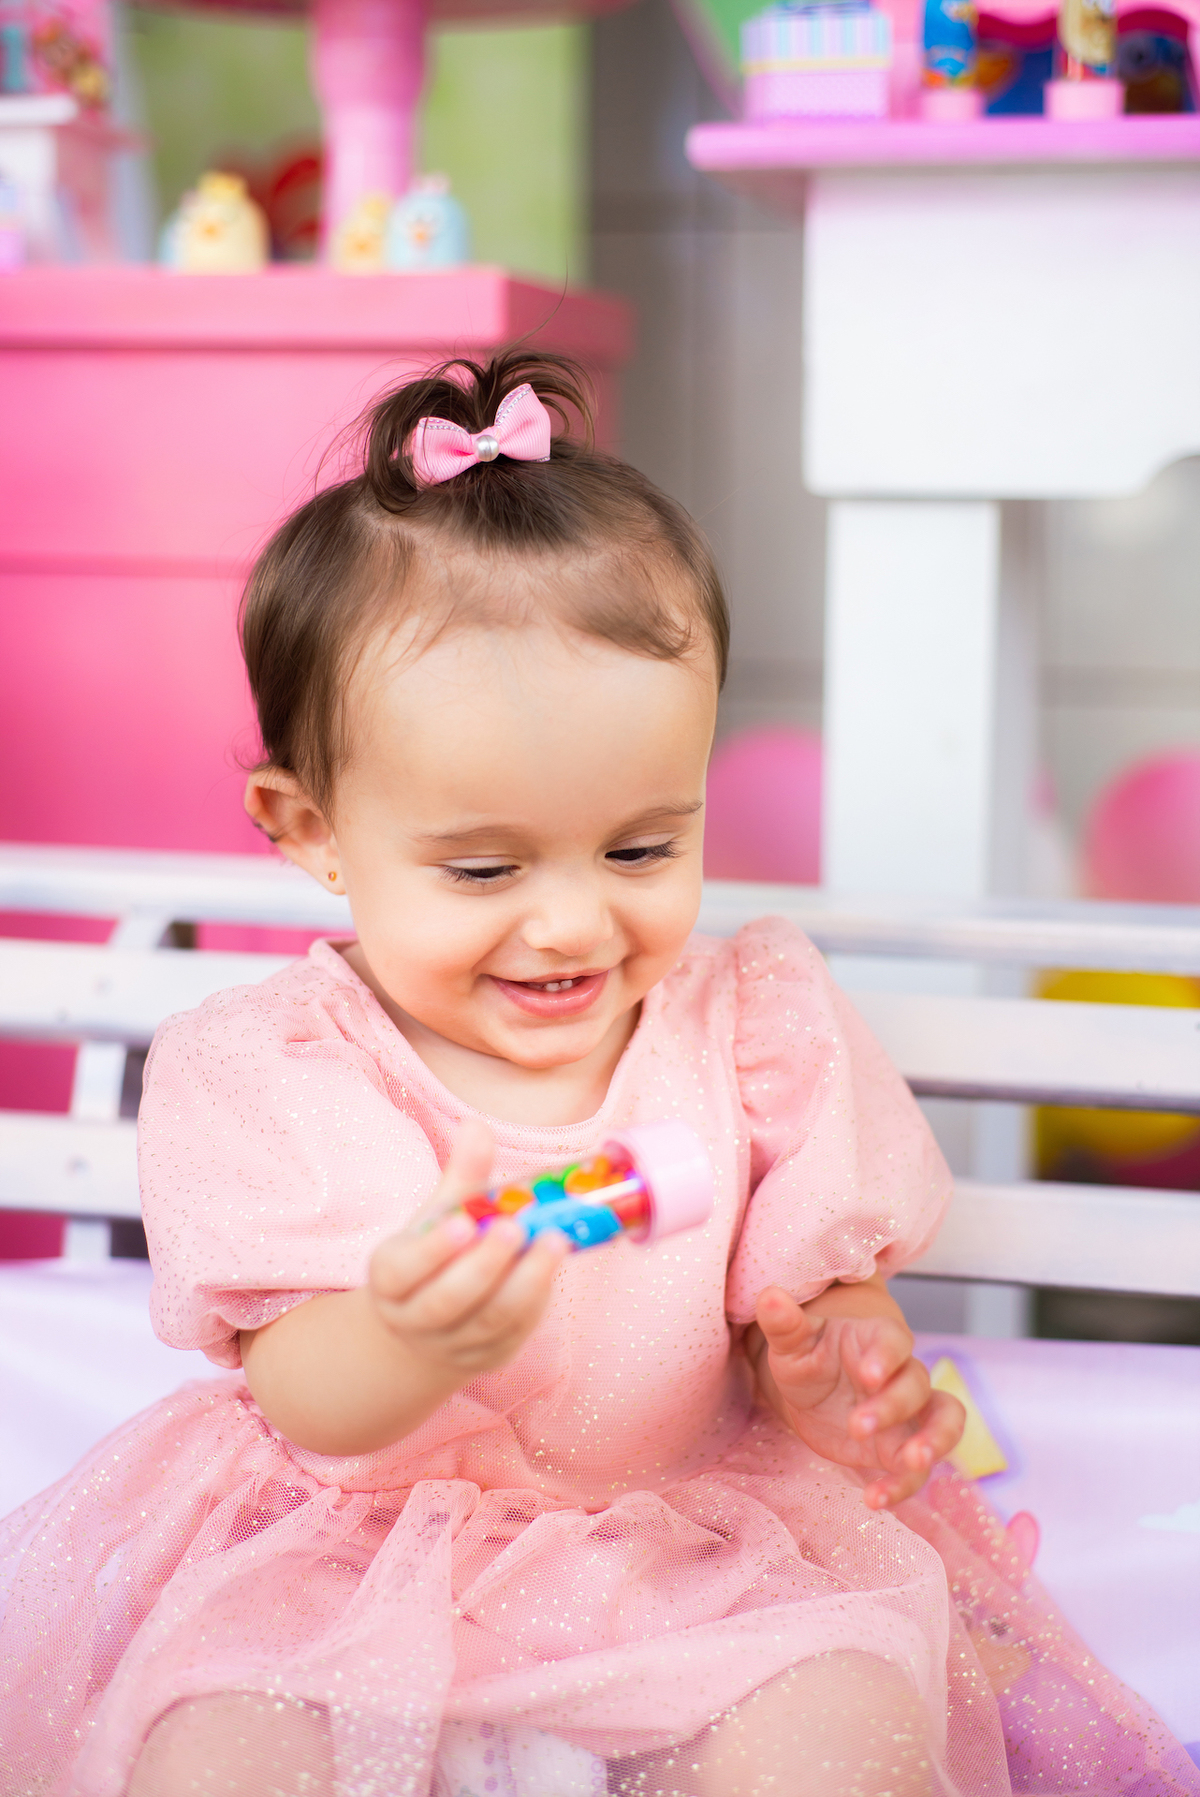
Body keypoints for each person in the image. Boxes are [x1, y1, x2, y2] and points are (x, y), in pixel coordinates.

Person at [2, 353, 1195, 1797]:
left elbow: (811, 1306)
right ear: (308, 827)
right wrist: (409, 1336)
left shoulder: (746, 1027)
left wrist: (842, 1367)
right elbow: (305, 1396)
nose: (573, 923)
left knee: (843, 1733)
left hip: (684, 1549)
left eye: (640, 848)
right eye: (484, 867)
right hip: (345, 1562)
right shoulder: (272, 1068)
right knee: (216, 1752)